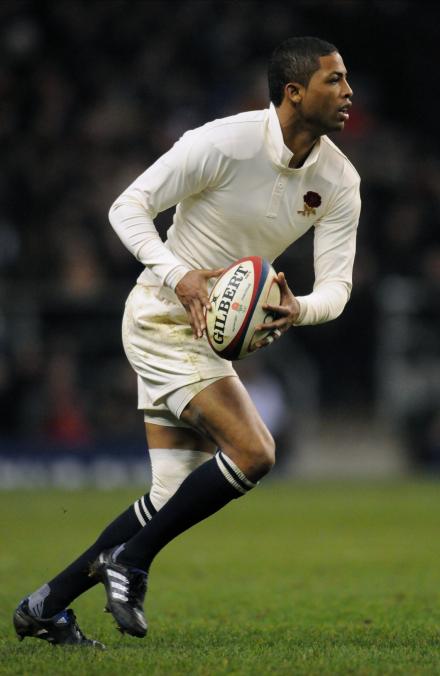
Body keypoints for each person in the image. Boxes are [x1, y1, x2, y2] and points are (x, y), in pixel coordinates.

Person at [13, 36, 360, 647]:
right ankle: (130, 562)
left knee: (170, 497)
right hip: (162, 316)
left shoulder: (339, 179)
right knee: (255, 452)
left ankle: (44, 606)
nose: (348, 91)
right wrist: (180, 275)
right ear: (293, 92)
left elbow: (337, 286)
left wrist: (296, 309)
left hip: (212, 335)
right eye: (333, 80)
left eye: (346, 79)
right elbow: (127, 207)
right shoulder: (224, 142)